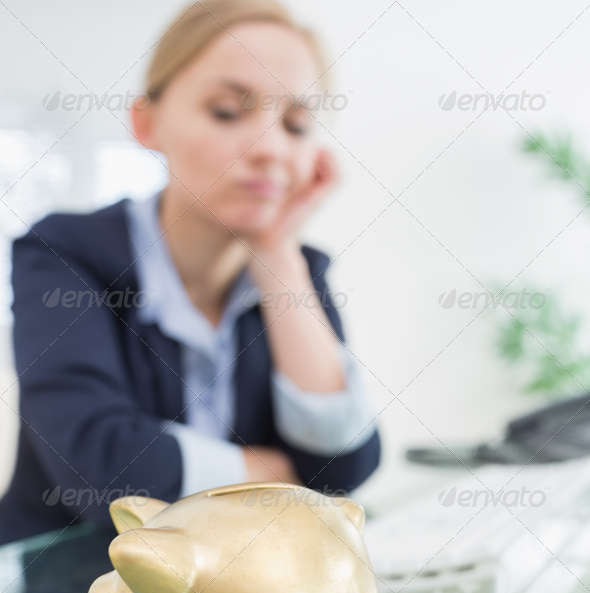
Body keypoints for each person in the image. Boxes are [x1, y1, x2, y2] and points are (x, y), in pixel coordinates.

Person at [0, 0, 380, 544]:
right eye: (228, 111)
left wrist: (275, 251)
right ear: (147, 122)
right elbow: (103, 471)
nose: (270, 148)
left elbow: (343, 469)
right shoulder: (60, 250)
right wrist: (281, 479)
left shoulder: (298, 271)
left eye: (296, 124)